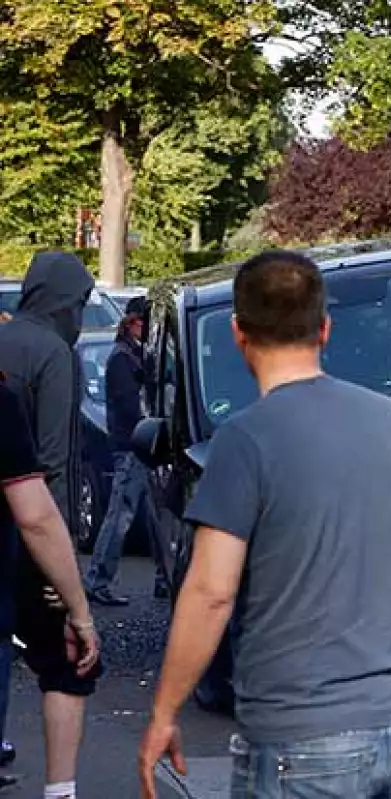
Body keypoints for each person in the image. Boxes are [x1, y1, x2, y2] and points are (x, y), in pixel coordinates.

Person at [137, 251, 391, 799]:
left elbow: (212, 591)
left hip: (299, 733)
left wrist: (164, 711)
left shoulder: (245, 439)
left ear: (238, 334)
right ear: (324, 329)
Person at [0, 251, 102, 799]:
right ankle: (60, 790)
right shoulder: (54, 354)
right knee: (69, 661)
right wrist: (65, 573)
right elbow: (54, 462)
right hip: (31, 529)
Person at [84, 297, 168, 605]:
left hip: (141, 444)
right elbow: (131, 407)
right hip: (133, 446)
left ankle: (163, 577)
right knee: (122, 514)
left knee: (154, 516)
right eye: (144, 322)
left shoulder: (132, 354)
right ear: (132, 322)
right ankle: (97, 580)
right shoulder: (123, 358)